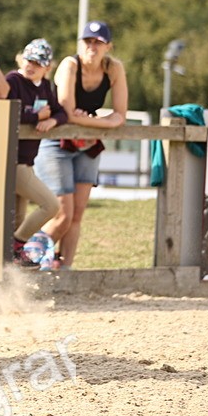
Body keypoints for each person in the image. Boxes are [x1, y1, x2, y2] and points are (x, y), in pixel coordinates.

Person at [34, 20, 129, 269]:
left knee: (76, 215)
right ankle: (26, 256)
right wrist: (103, 122)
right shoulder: (70, 65)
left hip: (88, 144)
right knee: (62, 215)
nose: (92, 47)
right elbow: (67, 113)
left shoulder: (114, 68)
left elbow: (120, 115)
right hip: (57, 141)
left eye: (98, 42)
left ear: (108, 46)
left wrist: (91, 122)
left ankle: (64, 271)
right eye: (87, 41)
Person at [4, 39, 68, 265]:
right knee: (51, 205)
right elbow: (8, 112)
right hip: (13, 161)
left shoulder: (45, 86)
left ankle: (10, 259)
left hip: (27, 162)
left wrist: (52, 120)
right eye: (28, 60)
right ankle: (18, 244)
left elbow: (62, 113)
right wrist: (37, 117)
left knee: (17, 219)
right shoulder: (13, 80)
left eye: (37, 63)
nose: (30, 66)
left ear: (47, 67)